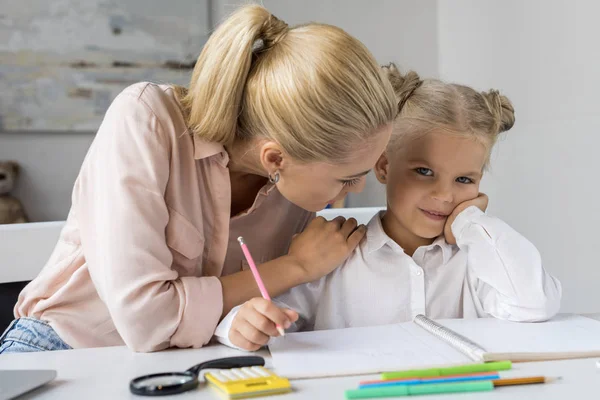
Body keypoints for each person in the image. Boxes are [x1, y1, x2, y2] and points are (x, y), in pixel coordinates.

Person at [0, 5, 397, 353]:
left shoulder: (295, 184)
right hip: (63, 353)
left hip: (195, 360)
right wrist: (295, 267)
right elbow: (147, 322)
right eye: (347, 179)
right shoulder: (146, 119)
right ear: (276, 157)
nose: (358, 189)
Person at [215, 64, 562, 351]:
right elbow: (260, 317)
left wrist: (471, 220)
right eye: (424, 172)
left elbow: (533, 303)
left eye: (464, 180)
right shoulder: (336, 255)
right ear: (383, 167)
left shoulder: (479, 259)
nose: (444, 195)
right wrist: (238, 325)